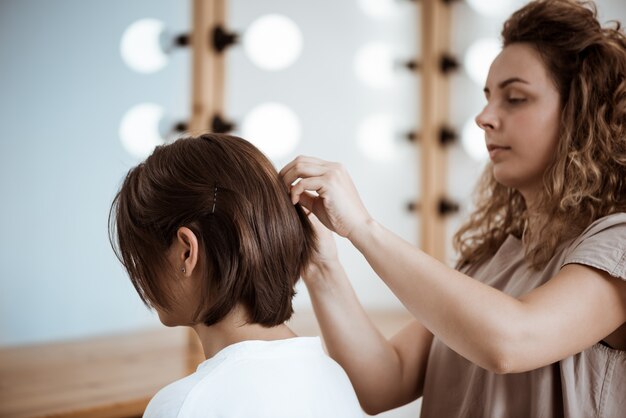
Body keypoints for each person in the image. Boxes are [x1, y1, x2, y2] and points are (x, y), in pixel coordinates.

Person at [279, 1, 626, 417]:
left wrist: (363, 228)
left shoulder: (617, 246)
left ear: (582, 114)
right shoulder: (489, 264)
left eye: (515, 98)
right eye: (488, 98)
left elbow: (511, 341)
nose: (484, 117)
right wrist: (322, 266)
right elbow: (382, 381)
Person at [108, 134, 363, 418]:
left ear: (186, 252)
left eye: (141, 255)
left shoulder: (183, 405)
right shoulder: (334, 377)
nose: (141, 274)